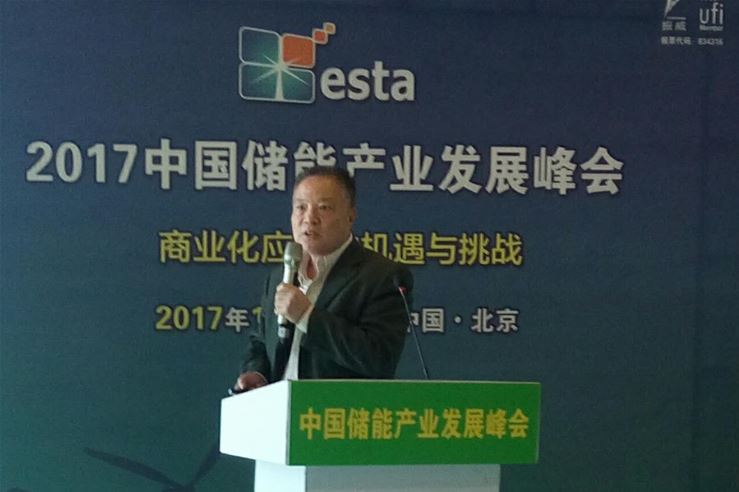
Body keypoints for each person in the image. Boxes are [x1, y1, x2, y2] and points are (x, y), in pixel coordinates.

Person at [233, 167, 413, 392]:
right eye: (301, 207)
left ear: (350, 216)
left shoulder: (382, 276)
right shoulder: (281, 275)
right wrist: (256, 372)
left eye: (324, 208)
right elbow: (261, 340)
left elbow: (379, 358)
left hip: (337, 409)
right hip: (279, 409)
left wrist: (307, 316)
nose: (309, 218)